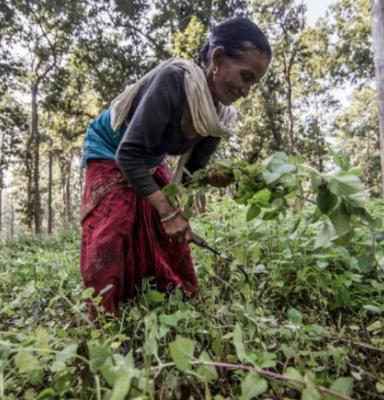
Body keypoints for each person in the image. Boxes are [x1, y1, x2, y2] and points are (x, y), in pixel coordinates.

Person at [80, 17, 272, 316]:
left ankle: (172, 298)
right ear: (218, 58)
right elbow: (128, 154)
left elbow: (189, 176)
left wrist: (213, 177)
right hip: (111, 148)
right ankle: (102, 318)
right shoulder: (174, 79)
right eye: (245, 76)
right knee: (115, 223)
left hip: (147, 159)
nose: (246, 91)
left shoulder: (218, 118)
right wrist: (167, 211)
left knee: (169, 229)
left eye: (253, 83)